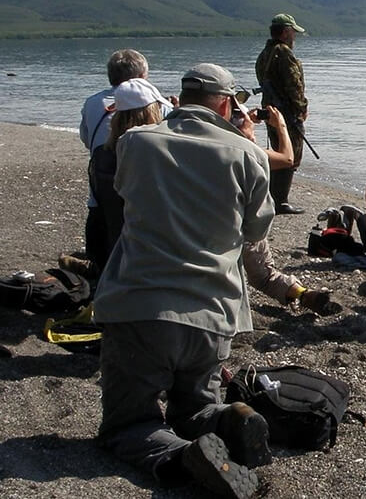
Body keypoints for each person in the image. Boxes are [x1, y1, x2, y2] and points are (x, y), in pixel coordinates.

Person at [94, 64, 275, 498]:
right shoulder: (247, 154)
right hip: (212, 314)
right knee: (196, 405)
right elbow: (256, 231)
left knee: (130, 423)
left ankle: (182, 457)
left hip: (139, 306)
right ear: (228, 103)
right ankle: (226, 420)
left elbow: (121, 193)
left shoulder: (135, 142)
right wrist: (244, 143)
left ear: (181, 98)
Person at [71, 49, 172, 276]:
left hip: (102, 197)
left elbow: (88, 141)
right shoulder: (160, 107)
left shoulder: (92, 103)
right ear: (142, 77)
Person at [233, 97, 336, 315]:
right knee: (264, 275)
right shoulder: (247, 151)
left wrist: (245, 122)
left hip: (214, 228)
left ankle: (303, 294)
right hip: (244, 229)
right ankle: (302, 294)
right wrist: (280, 125)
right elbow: (288, 159)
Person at [255, 12, 308, 214]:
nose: (294, 36)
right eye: (293, 32)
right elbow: (294, 85)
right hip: (287, 112)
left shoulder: (264, 54)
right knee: (291, 154)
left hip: (269, 109)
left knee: (278, 150)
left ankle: (272, 195)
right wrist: (301, 108)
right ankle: (281, 201)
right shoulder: (284, 53)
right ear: (286, 32)